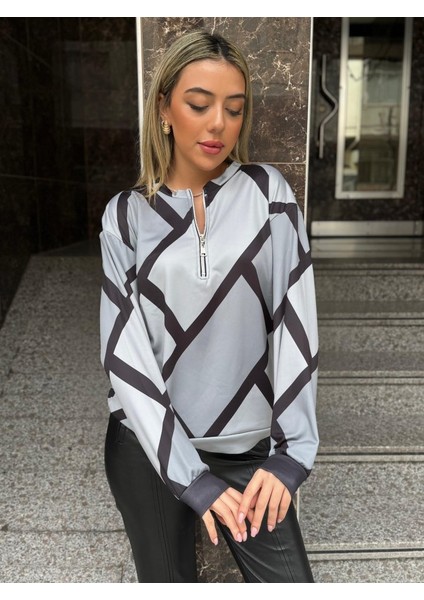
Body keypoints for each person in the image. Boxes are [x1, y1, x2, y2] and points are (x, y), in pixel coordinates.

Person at [99, 29, 319, 583]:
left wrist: (292, 452)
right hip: (148, 447)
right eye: (199, 104)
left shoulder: (268, 195)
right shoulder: (126, 216)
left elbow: (295, 324)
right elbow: (123, 352)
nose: (218, 123)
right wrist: (189, 476)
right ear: (164, 109)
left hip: (249, 448)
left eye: (234, 108)